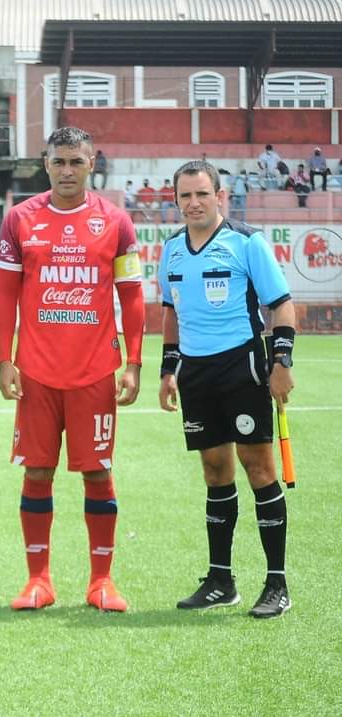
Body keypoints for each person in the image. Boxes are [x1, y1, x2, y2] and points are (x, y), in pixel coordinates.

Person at [0, 126, 145, 612]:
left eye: (76, 162)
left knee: (97, 474)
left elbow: (132, 297)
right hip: (36, 372)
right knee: (37, 472)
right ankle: (38, 580)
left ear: (91, 163)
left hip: (95, 372)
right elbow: (6, 296)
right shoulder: (20, 219)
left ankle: (102, 581)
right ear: (45, 163)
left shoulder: (116, 222)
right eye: (58, 161)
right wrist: (4, 359)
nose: (66, 170)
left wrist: (134, 363)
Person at [159, 159, 295, 619]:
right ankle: (221, 580)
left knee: (258, 468)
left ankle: (276, 584)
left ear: (220, 196)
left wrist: (282, 363)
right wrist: (167, 371)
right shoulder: (172, 249)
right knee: (215, 472)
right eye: (185, 196)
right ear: (175, 200)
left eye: (202, 194)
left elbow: (281, 305)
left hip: (243, 367)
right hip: (195, 375)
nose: (193, 203)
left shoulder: (246, 241)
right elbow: (171, 314)